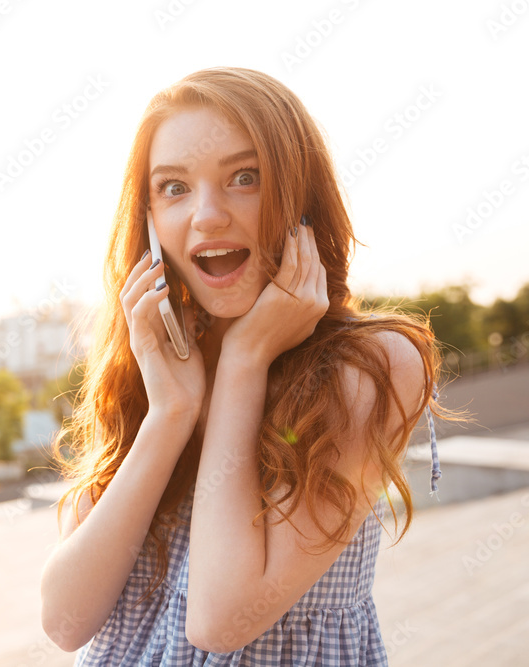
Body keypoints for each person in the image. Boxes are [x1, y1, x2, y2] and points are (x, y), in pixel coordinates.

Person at [40, 66, 450, 666]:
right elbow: (65, 620)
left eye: (244, 177)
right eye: (173, 188)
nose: (206, 215)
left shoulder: (373, 366)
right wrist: (170, 414)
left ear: (301, 200)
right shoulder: (156, 367)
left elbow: (220, 619)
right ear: (150, 223)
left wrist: (244, 362)